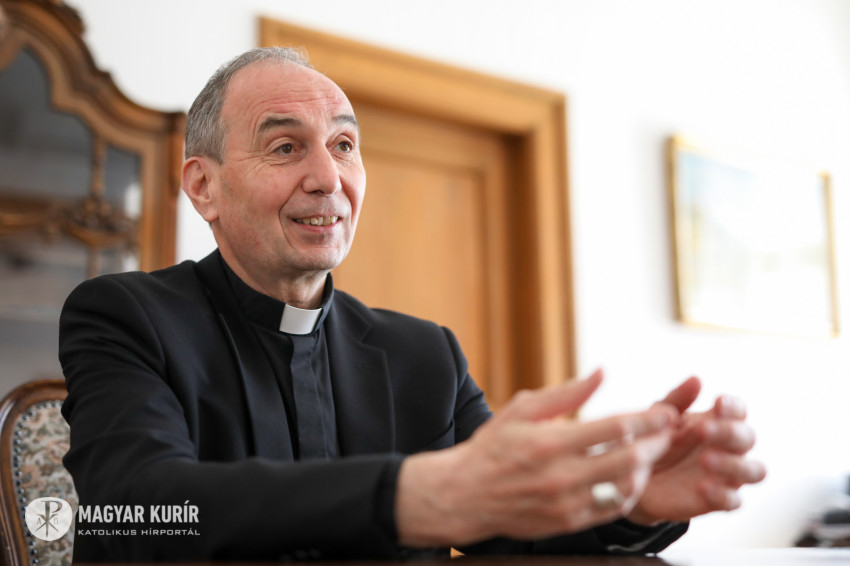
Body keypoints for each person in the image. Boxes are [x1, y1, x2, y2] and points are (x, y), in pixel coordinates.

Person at [59, 47, 765, 562]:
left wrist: (628, 500)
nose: (328, 176)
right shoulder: (124, 316)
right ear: (203, 186)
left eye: (344, 145)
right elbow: (138, 511)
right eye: (285, 147)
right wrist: (410, 495)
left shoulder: (424, 354)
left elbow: (513, 530)